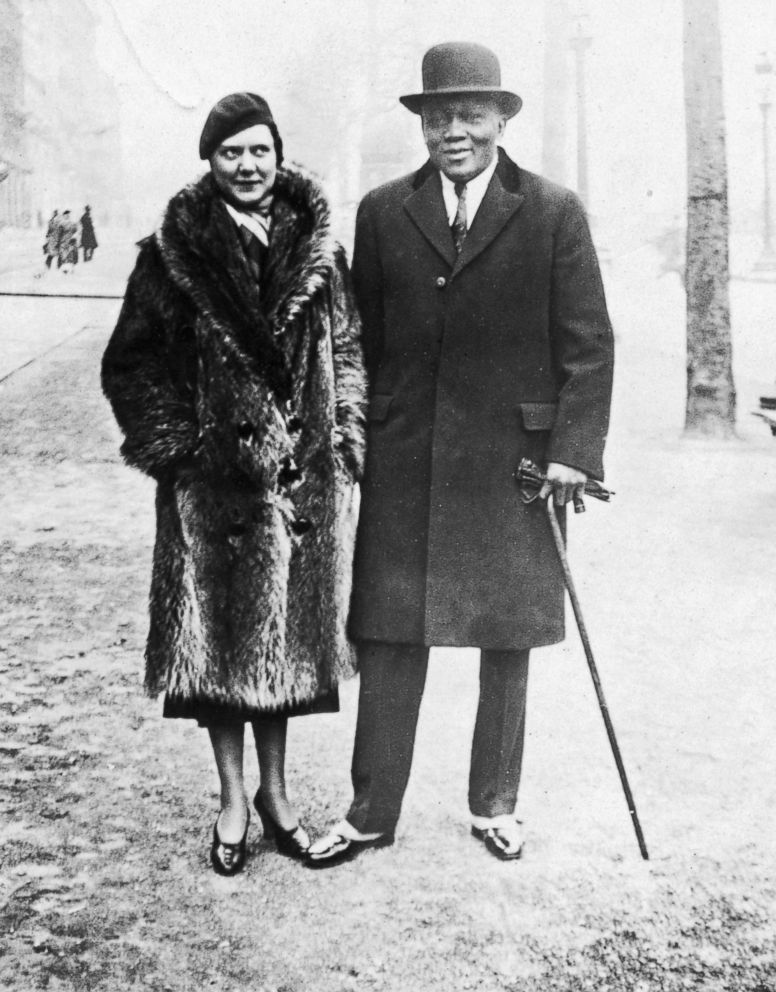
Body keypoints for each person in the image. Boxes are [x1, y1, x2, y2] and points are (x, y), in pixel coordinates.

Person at [305, 42, 614, 868]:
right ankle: (371, 812)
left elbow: (588, 345)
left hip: (515, 464)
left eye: (471, 116)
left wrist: (573, 454)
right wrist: (355, 433)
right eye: (439, 117)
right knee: (388, 633)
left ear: (502, 120)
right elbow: (358, 339)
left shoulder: (552, 210)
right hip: (405, 459)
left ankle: (496, 804)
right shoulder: (381, 212)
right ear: (423, 125)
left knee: (506, 637)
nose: (454, 132)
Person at [101, 93, 367, 875]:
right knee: (216, 651)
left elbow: (348, 349)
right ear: (209, 162)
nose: (248, 166)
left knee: (284, 650)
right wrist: (182, 448)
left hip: (298, 491)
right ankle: (231, 800)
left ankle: (278, 800)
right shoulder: (169, 257)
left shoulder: (321, 252)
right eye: (231, 153)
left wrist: (343, 441)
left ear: (279, 156)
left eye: (260, 151)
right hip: (213, 494)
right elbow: (131, 365)